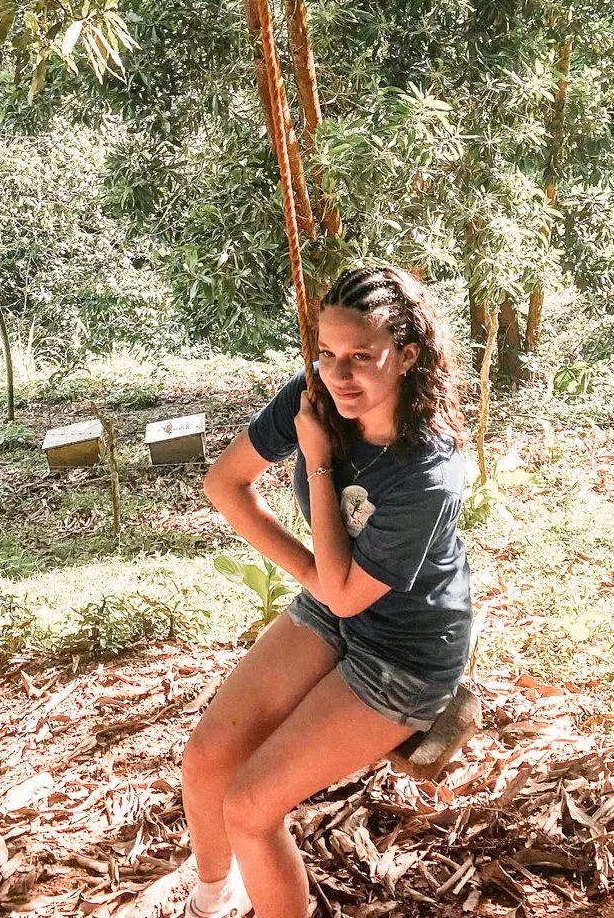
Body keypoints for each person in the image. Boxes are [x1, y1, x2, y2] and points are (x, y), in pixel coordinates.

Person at [181, 265, 472, 918]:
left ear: (407, 356)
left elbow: (347, 595)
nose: (340, 375)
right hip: (338, 601)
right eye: (330, 353)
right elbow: (224, 486)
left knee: (250, 808)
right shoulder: (315, 398)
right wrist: (317, 578)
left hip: (405, 650)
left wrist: (314, 458)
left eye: (362, 357)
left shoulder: (428, 472)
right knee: (206, 759)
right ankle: (211, 898)